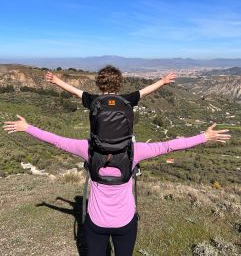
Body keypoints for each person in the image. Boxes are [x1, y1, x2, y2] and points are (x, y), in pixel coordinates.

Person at [3, 115, 230, 256]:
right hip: (125, 222)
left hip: (95, 223)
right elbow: (170, 146)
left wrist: (27, 127)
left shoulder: (87, 148)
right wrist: (204, 136)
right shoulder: (136, 151)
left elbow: (55, 139)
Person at [46, 65, 176, 110]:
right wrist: (163, 81)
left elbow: (74, 90)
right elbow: (145, 91)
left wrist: (57, 81)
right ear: (119, 83)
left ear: (99, 84)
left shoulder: (93, 100)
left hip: (99, 147)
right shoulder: (127, 100)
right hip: (122, 149)